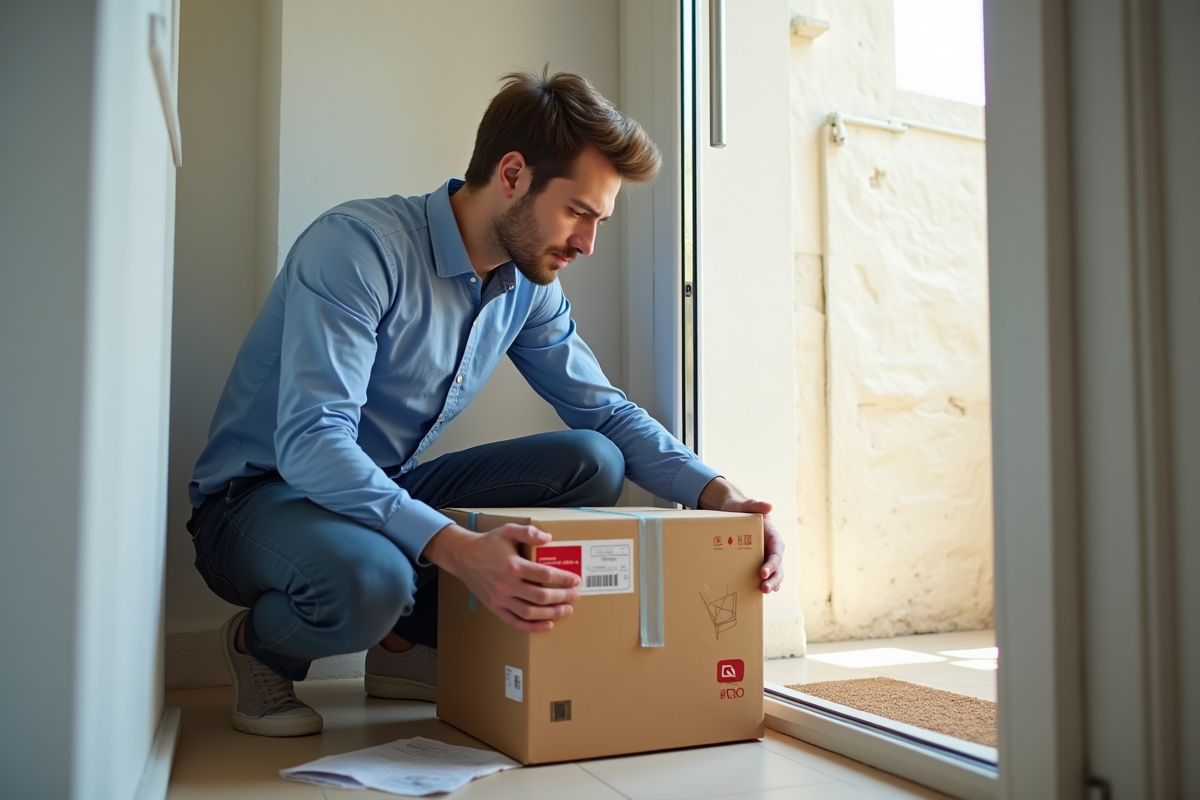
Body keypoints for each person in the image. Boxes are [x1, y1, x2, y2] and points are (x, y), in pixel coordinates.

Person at [186, 68, 784, 738]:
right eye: (578, 212)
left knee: (593, 459)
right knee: (374, 580)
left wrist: (719, 496)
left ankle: (402, 644)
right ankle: (257, 647)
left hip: (378, 488)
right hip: (258, 500)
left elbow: (605, 411)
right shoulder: (358, 248)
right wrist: (456, 547)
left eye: (599, 221)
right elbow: (312, 445)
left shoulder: (527, 286)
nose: (586, 243)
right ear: (512, 174)